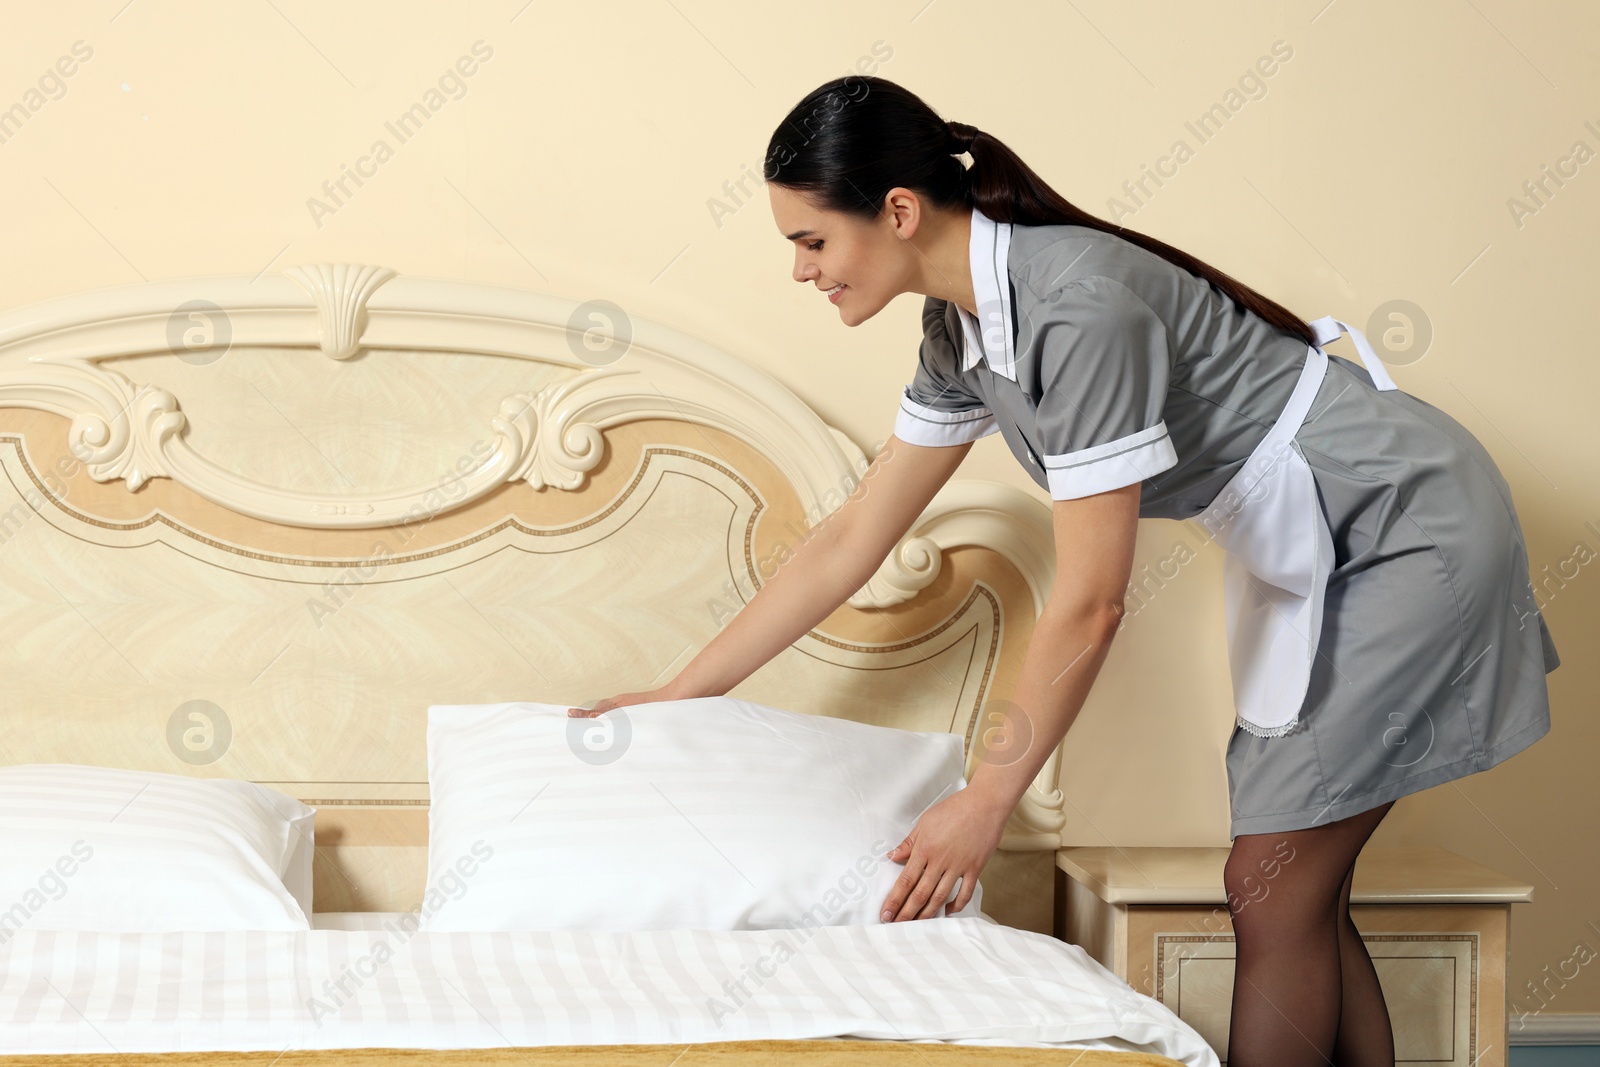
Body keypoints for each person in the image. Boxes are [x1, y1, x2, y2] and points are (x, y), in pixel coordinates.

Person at [570, 75, 1559, 1067]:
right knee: (1296, 879)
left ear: (899, 212)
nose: (799, 269)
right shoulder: (959, 333)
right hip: (1326, 534)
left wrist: (985, 802)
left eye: (812, 240)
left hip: (1404, 523)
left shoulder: (1077, 309)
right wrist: (678, 695)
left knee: (1273, 876)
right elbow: (850, 539)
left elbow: (1089, 603)